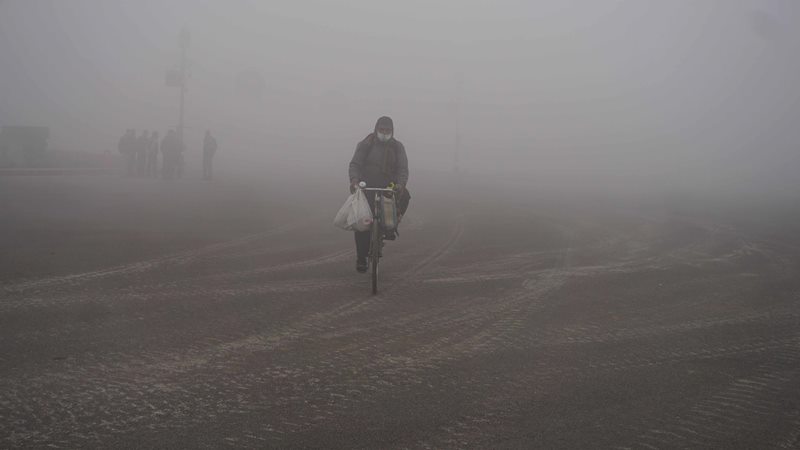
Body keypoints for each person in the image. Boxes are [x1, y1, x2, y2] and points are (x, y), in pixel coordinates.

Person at [348, 116, 410, 273]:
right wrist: (354, 181)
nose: (384, 133)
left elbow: (402, 169)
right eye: (381, 130)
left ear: (392, 131)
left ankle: (391, 227)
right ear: (376, 129)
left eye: (387, 130)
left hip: (389, 189)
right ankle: (361, 258)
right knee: (362, 224)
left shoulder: (397, 147)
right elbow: (355, 164)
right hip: (366, 187)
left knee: (405, 196)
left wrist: (400, 185)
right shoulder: (366, 144)